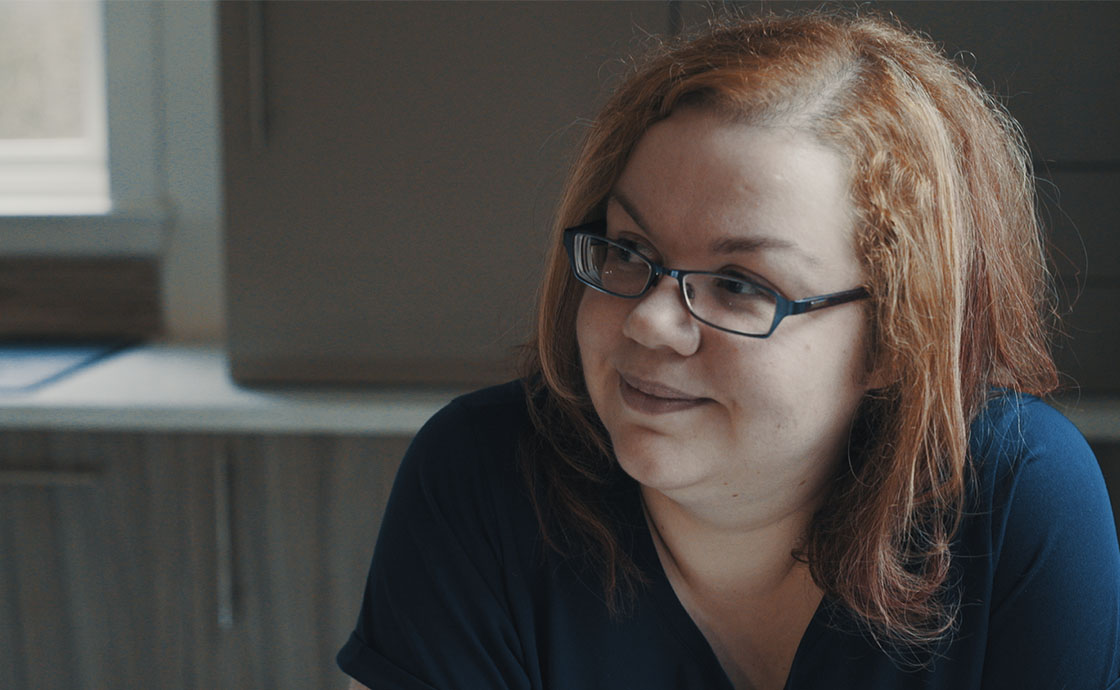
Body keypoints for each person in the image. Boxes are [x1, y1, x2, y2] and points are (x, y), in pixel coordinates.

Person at [338, 10, 1120, 690]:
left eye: (741, 284)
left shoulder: (1017, 499)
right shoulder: (480, 481)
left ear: (894, 340)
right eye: (629, 249)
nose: (648, 321)